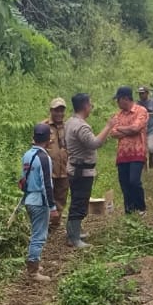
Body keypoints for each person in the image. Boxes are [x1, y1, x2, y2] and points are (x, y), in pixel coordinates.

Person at [65, 92, 112, 249]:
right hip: (81, 171)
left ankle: (74, 232)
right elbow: (94, 143)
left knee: (77, 201)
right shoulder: (81, 126)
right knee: (79, 202)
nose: (91, 107)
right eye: (90, 104)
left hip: (75, 169)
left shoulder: (70, 122)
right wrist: (108, 126)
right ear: (85, 106)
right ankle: (73, 238)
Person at [20, 123, 55, 281]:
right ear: (48, 139)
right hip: (39, 201)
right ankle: (33, 270)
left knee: (35, 233)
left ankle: (34, 262)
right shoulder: (44, 157)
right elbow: (47, 183)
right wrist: (52, 206)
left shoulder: (27, 155)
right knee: (39, 235)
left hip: (29, 199)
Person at [109, 86, 150, 215]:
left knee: (134, 181)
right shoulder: (118, 115)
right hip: (122, 154)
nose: (117, 103)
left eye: (118, 100)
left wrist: (121, 129)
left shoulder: (141, 111)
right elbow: (113, 132)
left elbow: (136, 128)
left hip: (137, 152)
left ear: (125, 99)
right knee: (124, 183)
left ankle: (141, 207)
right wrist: (127, 130)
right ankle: (129, 209)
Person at [44, 98, 70, 234]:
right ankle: (45, 223)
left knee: (61, 197)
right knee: (47, 196)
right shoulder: (44, 126)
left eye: (61, 110)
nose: (59, 113)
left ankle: (55, 224)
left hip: (65, 169)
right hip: (49, 170)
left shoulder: (68, 127)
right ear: (51, 111)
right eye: (56, 110)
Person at [139, 85, 153, 169]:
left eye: (143, 93)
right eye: (140, 94)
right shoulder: (137, 104)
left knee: (151, 147)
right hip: (140, 130)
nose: (141, 95)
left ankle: (151, 157)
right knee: (142, 151)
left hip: (152, 128)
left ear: (147, 93)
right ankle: (145, 168)